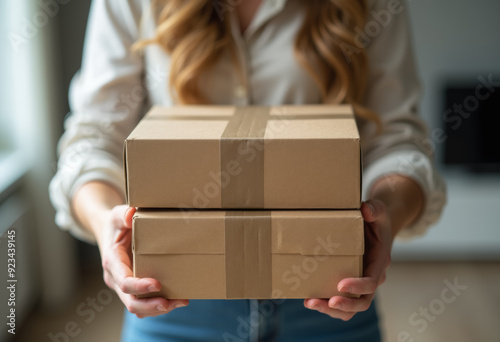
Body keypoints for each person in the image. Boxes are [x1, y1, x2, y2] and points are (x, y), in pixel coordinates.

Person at [49, 0, 446, 341]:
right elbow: (92, 141)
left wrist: (385, 218)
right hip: (173, 297)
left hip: (330, 293)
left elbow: (398, 141)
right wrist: (106, 225)